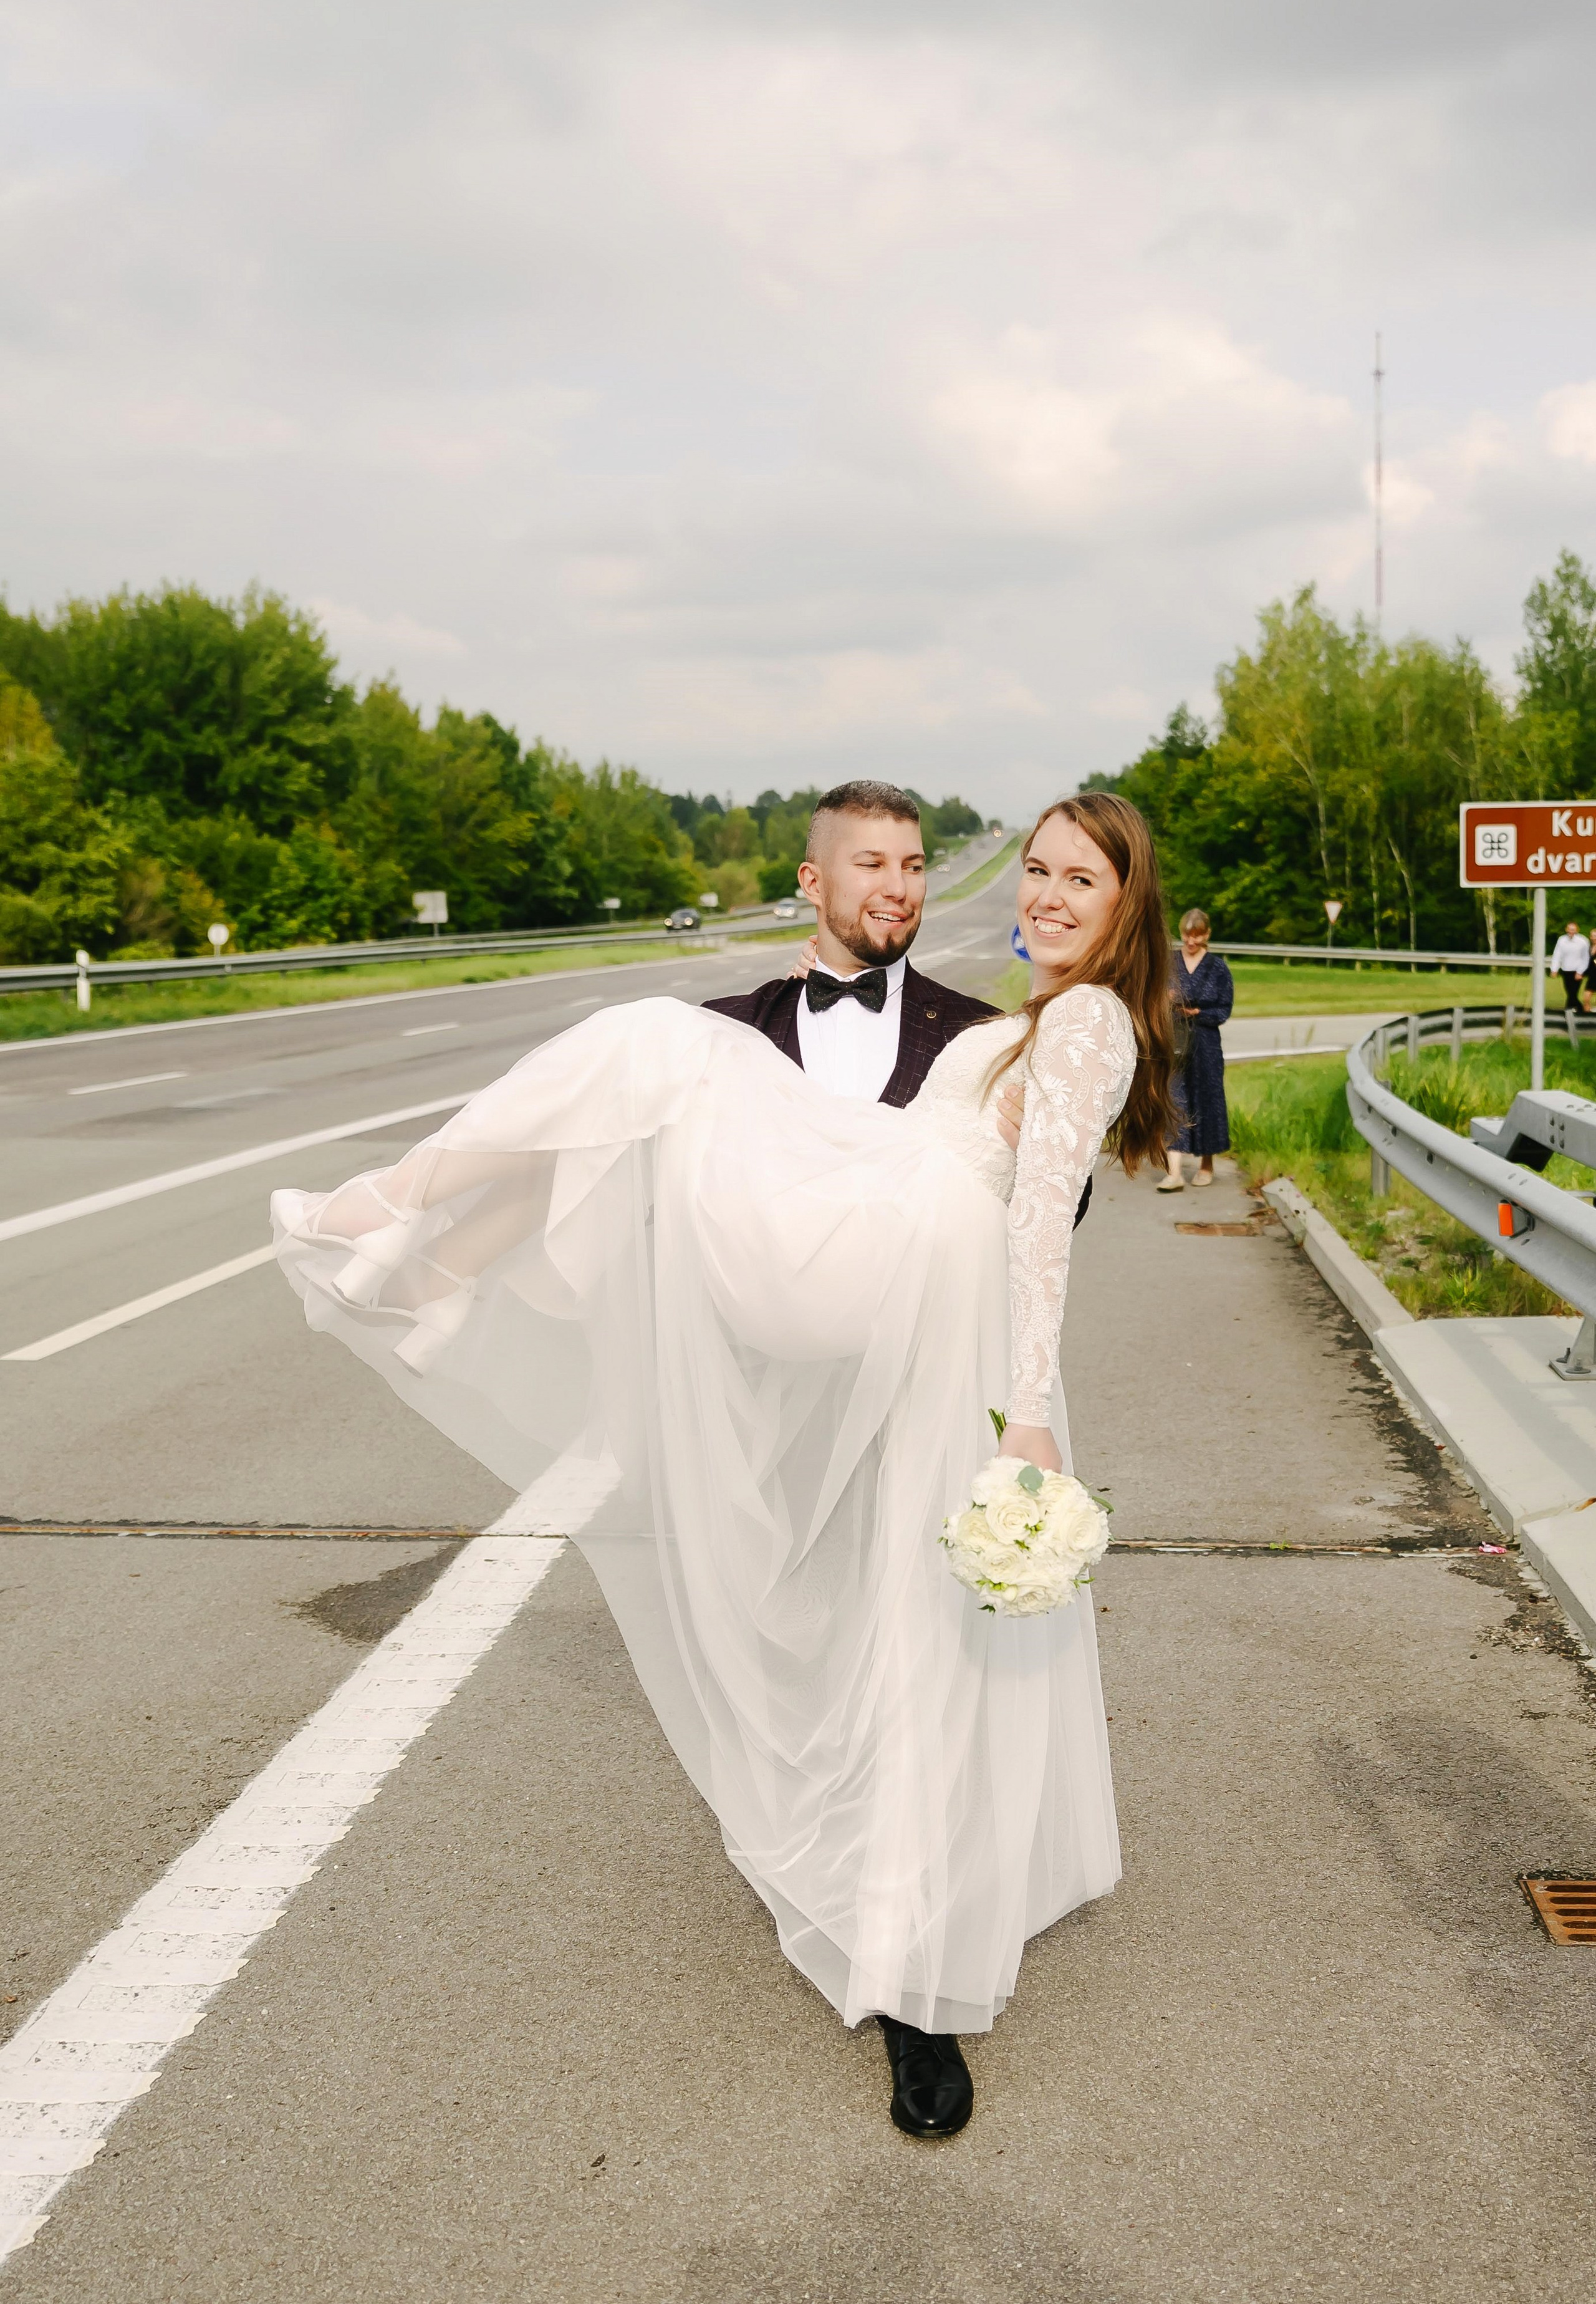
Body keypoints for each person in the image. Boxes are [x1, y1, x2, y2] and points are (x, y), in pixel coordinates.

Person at [269, 790, 1178, 2140]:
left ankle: (914, 1987)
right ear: (814, 880)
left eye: (1074, 881)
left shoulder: (1078, 1022)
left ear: (1124, 905)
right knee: (650, 1060)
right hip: (839, 1295)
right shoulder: (1017, 1023)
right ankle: (421, 1243)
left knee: (919, 1653)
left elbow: (1041, 1220)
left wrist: (1028, 1414)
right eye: (1032, 872)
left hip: (898, 1298)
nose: (1041, 896)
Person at [704, 780, 1089, 1230]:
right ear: (813, 882)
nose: (899, 888)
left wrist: (1048, 1161)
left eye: (914, 866)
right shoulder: (729, 1029)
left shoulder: (980, 1034)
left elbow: (1061, 1213)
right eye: (872, 864)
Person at [1160, 907, 1233, 1192]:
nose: (1191, 942)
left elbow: (1224, 1010)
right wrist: (1167, 1002)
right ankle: (1174, 1171)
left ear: (1207, 935)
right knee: (1174, 1099)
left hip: (1206, 1044)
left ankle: (1206, 1163)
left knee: (1207, 1100)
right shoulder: (1168, 962)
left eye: (1198, 936)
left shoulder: (1218, 968)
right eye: (1187, 936)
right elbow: (1152, 997)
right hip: (1173, 1040)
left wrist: (1198, 1011)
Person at [1551, 919, 1590, 1016]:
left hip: (1577, 971)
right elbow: (1557, 955)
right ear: (1566, 930)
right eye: (1570, 929)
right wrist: (1554, 969)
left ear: (1577, 930)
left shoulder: (1583, 941)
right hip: (1566, 970)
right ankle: (1581, 1011)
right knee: (1570, 993)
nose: (1571, 932)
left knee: (1573, 993)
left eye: (1573, 930)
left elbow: (1585, 958)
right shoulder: (1562, 940)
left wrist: (1580, 971)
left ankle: (1567, 1012)